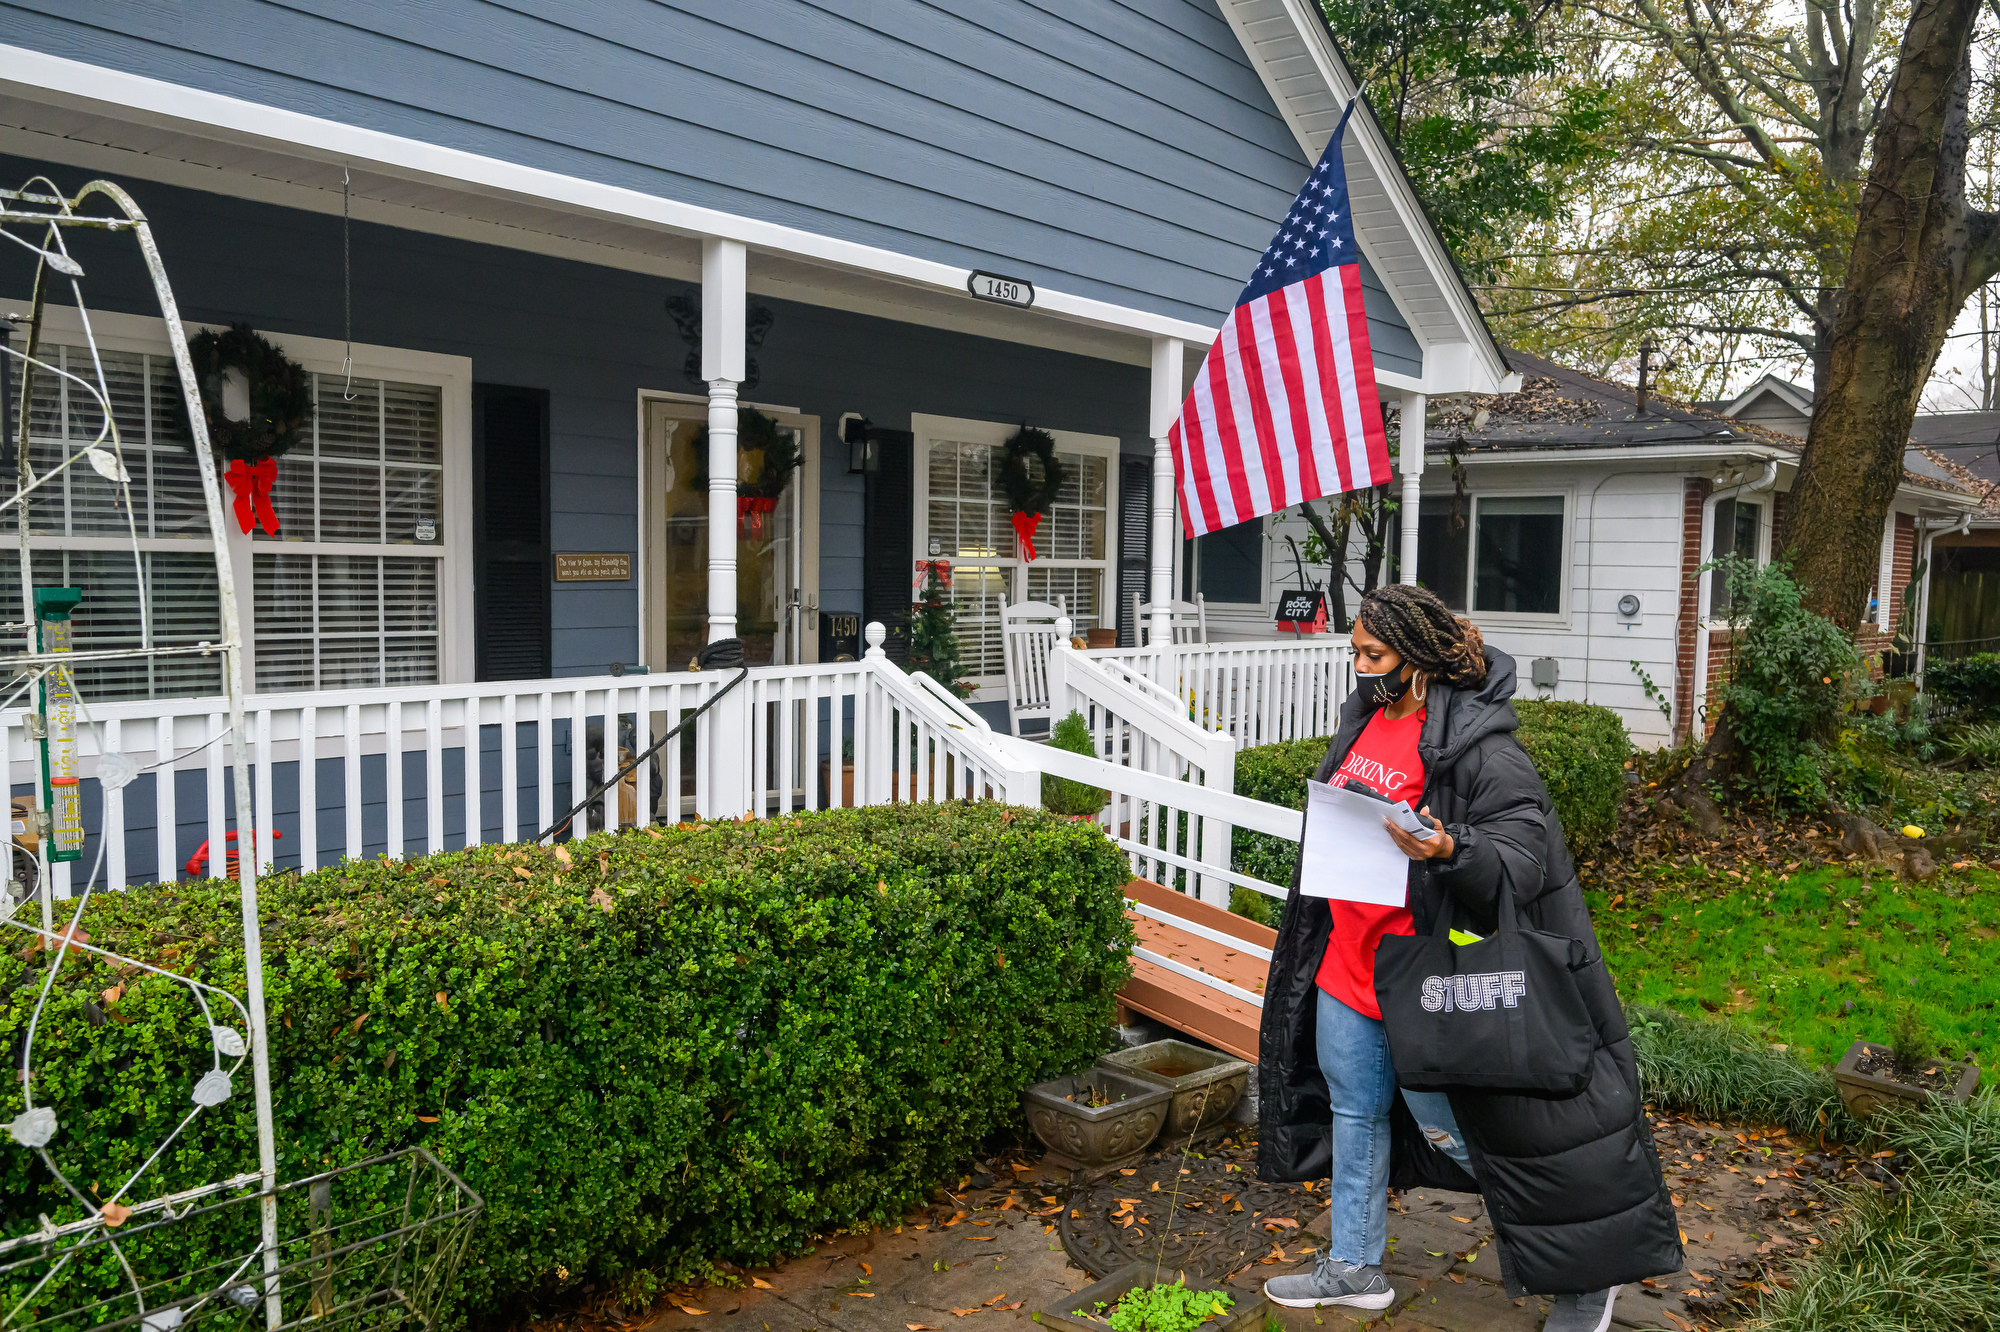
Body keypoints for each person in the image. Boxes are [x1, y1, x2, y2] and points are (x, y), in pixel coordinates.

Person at [1257, 584, 1680, 1332]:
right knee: (1356, 1117)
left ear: (1416, 658)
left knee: (1474, 1133)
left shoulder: (1481, 743)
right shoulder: (1366, 719)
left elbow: (1523, 853)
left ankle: (1587, 1273)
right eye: (1355, 652)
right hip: (1348, 968)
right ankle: (1355, 1265)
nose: (1359, 667)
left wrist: (1453, 846)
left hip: (1427, 979)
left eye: (1373, 654)